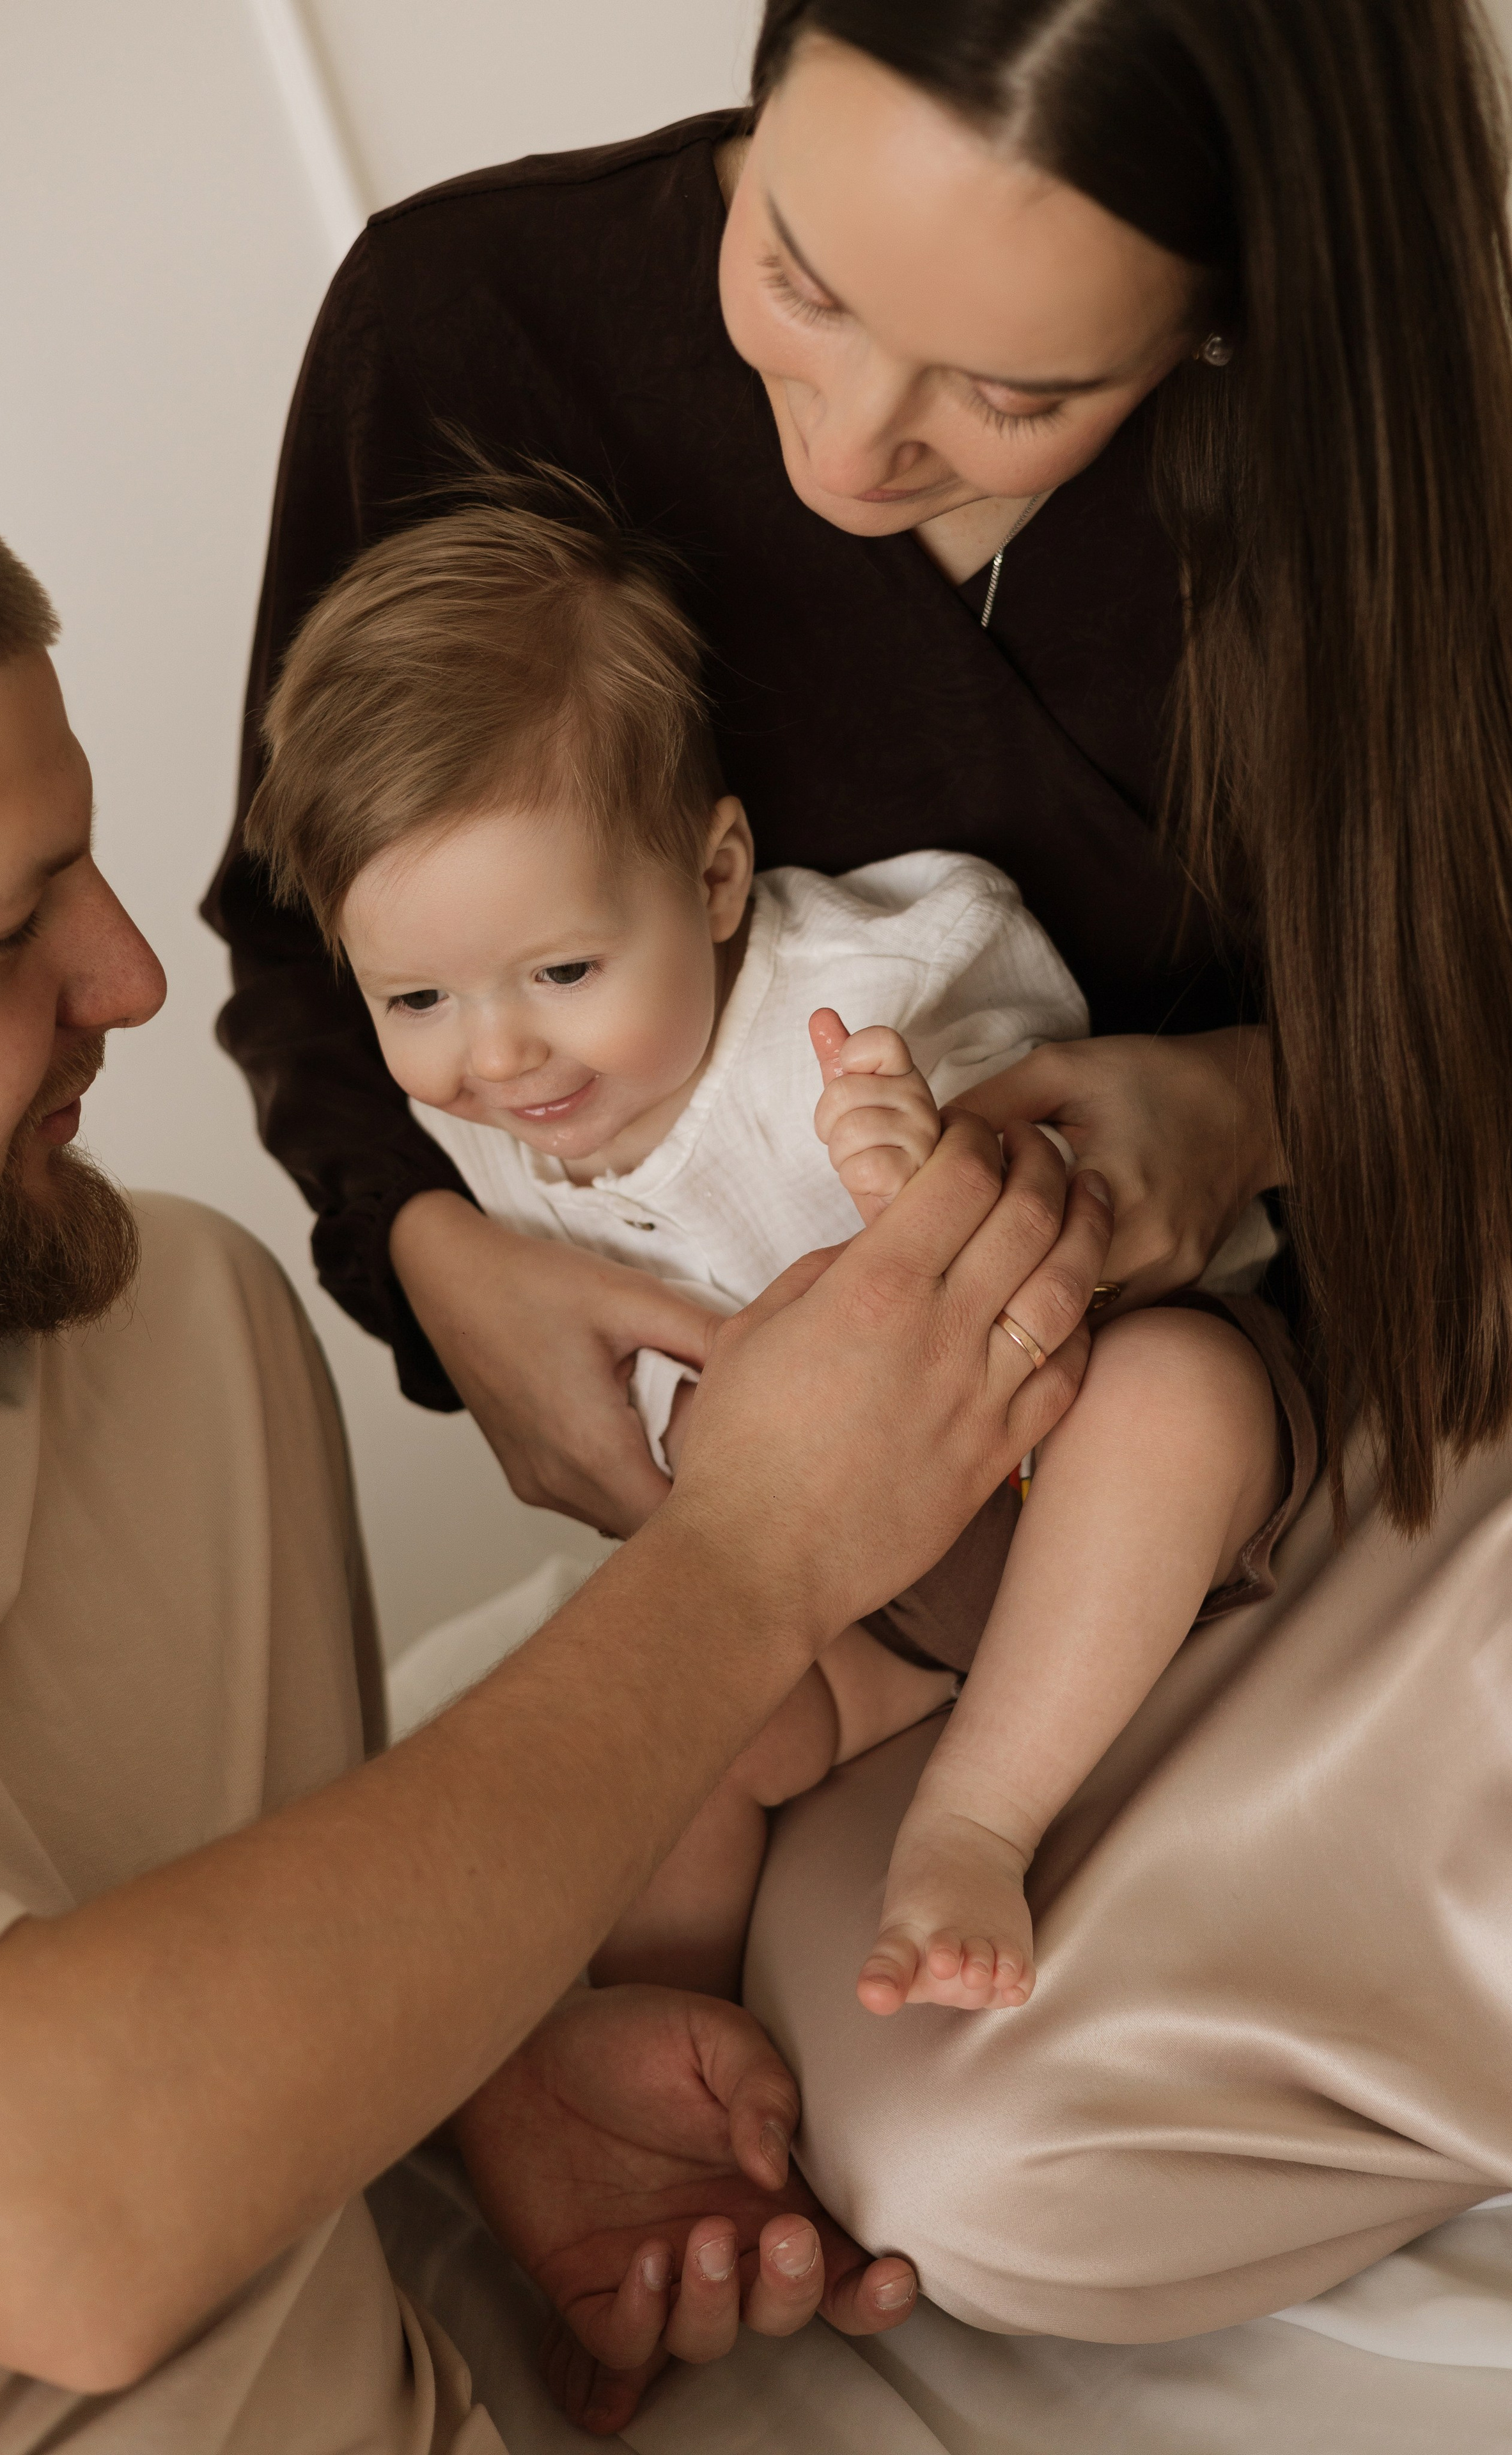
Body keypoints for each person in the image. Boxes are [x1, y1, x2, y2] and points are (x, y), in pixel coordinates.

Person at [206, 0, 1512, 2362]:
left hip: (1372, 1387)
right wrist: (442, 1260)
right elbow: (315, 949)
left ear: (1238, 315)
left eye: (1016, 394)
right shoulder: (470, 332)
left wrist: (1257, 1096)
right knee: (959, 2166)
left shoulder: (1415, 449)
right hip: (899, 1594)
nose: (847, 449)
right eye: (797, 273)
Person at [0, 464, 1111, 2447]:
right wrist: (752, 1551)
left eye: (92, 867)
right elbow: (57, 2215)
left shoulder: (172, 1326)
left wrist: (478, 2076)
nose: (135, 977)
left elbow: (206, 1976)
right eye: (7, 930)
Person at [245, 482, 1310, 2017]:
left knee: (1175, 1399)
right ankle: (668, 2046)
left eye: (560, 969)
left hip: (1061, 1467)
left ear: (716, 876)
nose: (499, 1058)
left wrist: (944, 1162)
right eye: (416, 1001)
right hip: (861, 1605)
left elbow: (1105, 1199)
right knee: (664, 1752)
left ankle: (972, 1821)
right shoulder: (482, 1136)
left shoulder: (868, 991)